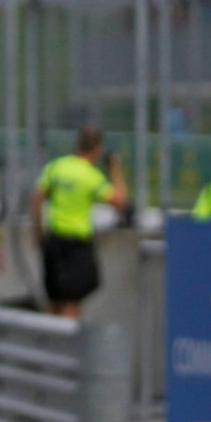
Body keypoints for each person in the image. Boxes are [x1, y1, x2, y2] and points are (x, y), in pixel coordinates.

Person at [30, 126, 128, 317]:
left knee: (55, 298)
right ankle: (65, 343)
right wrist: (115, 169)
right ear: (98, 149)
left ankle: (48, 341)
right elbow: (121, 201)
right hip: (76, 243)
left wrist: (38, 231)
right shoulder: (90, 176)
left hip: (53, 239)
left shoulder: (57, 167)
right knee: (73, 298)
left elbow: (36, 199)